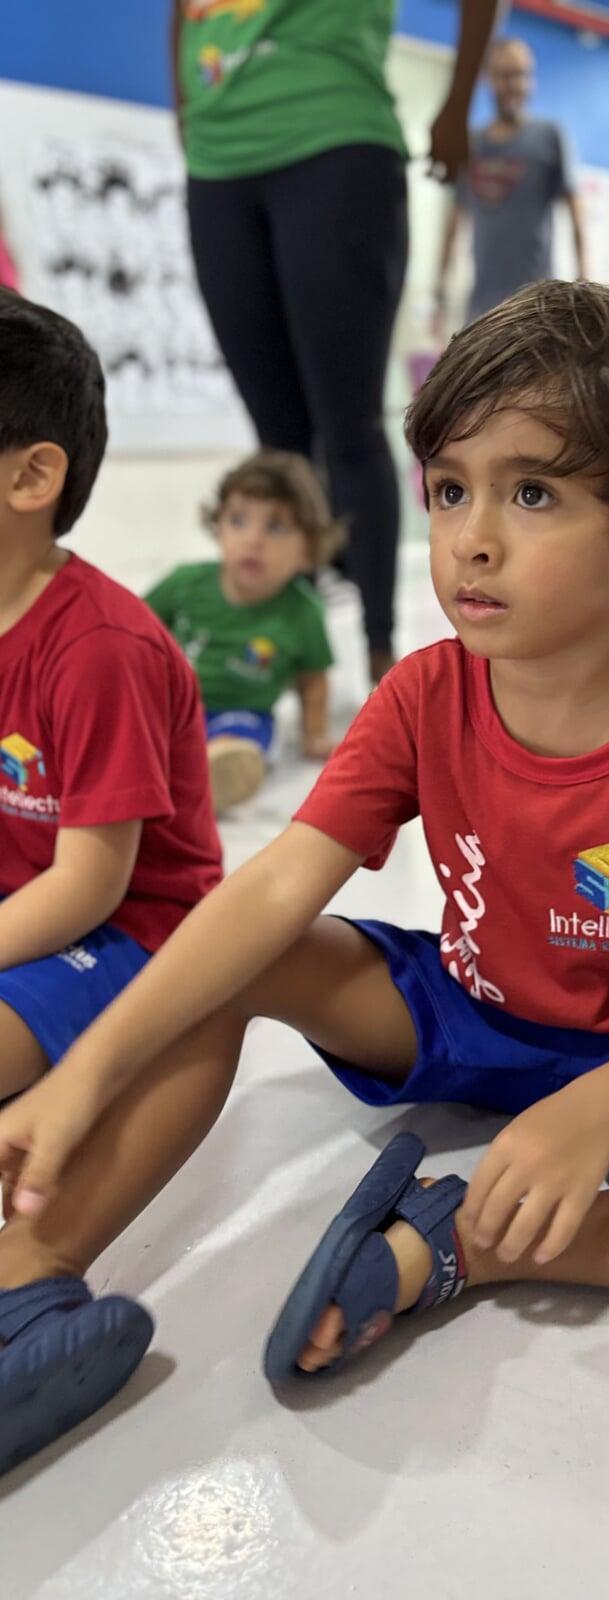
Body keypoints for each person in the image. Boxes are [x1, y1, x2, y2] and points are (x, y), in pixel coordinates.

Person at [4, 280, 609, 1473]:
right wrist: (87, 1072)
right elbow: (273, 889)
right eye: (449, 489)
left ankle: (466, 1243)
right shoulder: (425, 691)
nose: (472, 537)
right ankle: (27, 1282)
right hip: (464, 1006)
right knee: (240, 956)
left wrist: (600, 1110)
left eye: (533, 493)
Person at [0, 290, 223, 1471]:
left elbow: (92, 881)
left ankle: (24, 1307)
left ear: (31, 476)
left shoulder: (100, 648)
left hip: (129, 931)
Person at [172, 0, 502, 688]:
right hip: (217, 160)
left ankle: (383, 659)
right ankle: (295, 653)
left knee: (348, 427)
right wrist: (186, 109)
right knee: (277, 440)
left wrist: (456, 106)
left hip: (334, 140)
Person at [146, 450, 339, 815]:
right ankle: (163, 760)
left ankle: (211, 770)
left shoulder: (303, 612)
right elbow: (135, 630)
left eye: (275, 528)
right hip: (173, 703)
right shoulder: (185, 583)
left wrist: (314, 734)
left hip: (241, 712)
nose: (253, 540)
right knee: (144, 721)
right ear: (217, 526)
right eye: (238, 520)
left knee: (245, 737)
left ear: (308, 549)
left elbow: (313, 679)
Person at [433, 36, 587, 333]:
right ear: (488, 79)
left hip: (538, 307)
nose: (516, 84)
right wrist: (440, 292)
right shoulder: (472, 145)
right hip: (482, 308)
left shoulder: (550, 137)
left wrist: (583, 284)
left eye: (523, 74)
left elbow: (576, 212)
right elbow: (454, 221)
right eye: (505, 75)